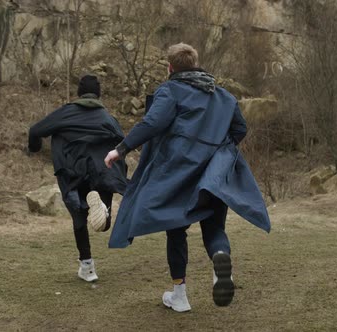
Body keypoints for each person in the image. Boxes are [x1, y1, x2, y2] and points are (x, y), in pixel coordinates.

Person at [104, 43, 271, 312]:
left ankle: (180, 295)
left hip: (179, 170)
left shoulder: (170, 90)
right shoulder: (224, 96)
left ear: (170, 67)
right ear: (195, 64)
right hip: (214, 173)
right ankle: (220, 261)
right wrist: (216, 147)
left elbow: (153, 123)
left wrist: (120, 149)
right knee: (214, 226)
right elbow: (240, 128)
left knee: (176, 229)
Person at [28, 75, 128, 282]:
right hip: (102, 171)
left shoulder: (66, 113)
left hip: (74, 172)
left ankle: (87, 266)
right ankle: (105, 213)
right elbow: (123, 143)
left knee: (79, 217)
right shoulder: (107, 118)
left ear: (79, 93)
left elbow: (35, 130)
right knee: (102, 214)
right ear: (99, 94)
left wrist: (34, 148)